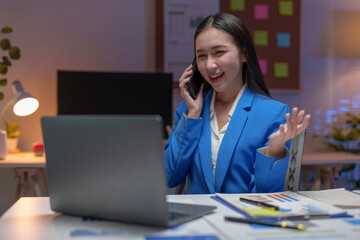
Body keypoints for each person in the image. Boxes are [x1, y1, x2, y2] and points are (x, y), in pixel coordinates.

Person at [164, 13, 310, 194]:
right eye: (201, 56)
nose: (209, 65)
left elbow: (271, 196)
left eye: (219, 52)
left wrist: (274, 152)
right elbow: (169, 177)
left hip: (242, 220)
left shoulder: (274, 114)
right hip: (196, 220)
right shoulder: (187, 112)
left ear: (244, 54)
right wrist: (193, 114)